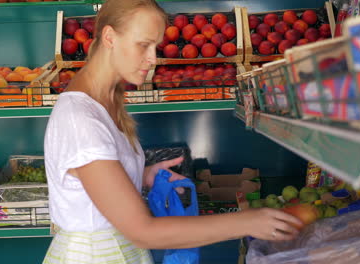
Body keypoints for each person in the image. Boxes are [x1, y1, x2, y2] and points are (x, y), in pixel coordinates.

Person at [43, 0, 302, 263]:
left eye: (155, 46)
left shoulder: (104, 102)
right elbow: (143, 232)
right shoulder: (81, 119)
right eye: (143, 45)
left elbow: (87, 188)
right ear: (110, 37)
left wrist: (141, 174)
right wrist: (247, 222)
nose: (153, 58)